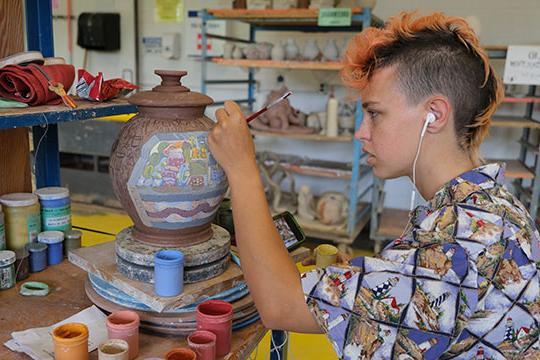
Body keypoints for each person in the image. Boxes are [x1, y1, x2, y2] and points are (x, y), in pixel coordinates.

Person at [208, 12, 540, 359]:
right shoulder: (497, 206)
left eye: (375, 113)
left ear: (435, 114)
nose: (361, 132)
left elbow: (280, 304)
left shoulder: (456, 247)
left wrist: (241, 166)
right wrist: (368, 277)